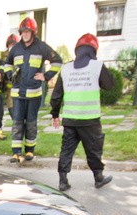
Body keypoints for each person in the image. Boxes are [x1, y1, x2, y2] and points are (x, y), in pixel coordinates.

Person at [50, 33, 114, 190]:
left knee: (66, 150)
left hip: (70, 119)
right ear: (93, 50)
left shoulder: (66, 69)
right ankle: (98, 177)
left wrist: (55, 115)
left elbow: (56, 95)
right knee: (94, 149)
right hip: (90, 119)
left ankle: (63, 181)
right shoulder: (97, 66)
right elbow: (109, 85)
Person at [3, 17, 61, 163]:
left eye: (28, 31)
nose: (25, 34)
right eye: (23, 31)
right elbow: (6, 64)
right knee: (17, 123)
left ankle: (29, 150)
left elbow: (58, 61)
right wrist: (10, 74)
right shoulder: (15, 48)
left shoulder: (41, 47)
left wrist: (46, 76)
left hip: (34, 94)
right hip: (17, 94)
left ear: (33, 32)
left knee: (31, 123)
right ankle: (15, 152)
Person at [1, 34, 18, 119]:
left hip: (20, 88)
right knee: (12, 110)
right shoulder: (4, 56)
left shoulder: (20, 55)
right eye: (10, 44)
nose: (12, 46)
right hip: (9, 89)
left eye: (14, 44)